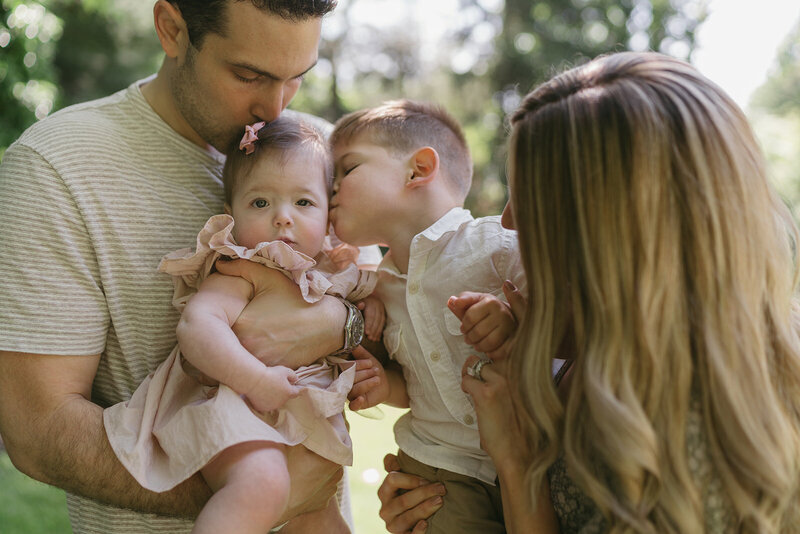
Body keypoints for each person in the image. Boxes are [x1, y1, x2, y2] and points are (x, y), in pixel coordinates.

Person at [0, 1, 368, 533]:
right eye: (249, 74)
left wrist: (342, 322)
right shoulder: (57, 168)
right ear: (172, 30)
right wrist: (268, 489)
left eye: (297, 78)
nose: (275, 108)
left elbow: (399, 324)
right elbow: (38, 432)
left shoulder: (318, 152)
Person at [461, 51, 800, 533]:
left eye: (530, 200)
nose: (508, 221)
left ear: (604, 236)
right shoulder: (756, 349)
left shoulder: (654, 430)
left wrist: (517, 460)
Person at [104, 117, 384, 534]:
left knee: (323, 513)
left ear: (329, 216)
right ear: (230, 214)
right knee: (262, 483)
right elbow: (198, 328)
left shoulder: (336, 273)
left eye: (303, 203)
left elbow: (386, 318)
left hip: (298, 421)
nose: (282, 218)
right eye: (260, 203)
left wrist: (371, 310)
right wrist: (255, 379)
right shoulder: (241, 269)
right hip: (236, 404)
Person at [329, 99, 526, 534]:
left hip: (533, 455)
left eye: (347, 169)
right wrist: (386, 385)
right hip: (439, 470)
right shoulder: (377, 288)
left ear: (418, 169)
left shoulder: (497, 247)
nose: (331, 189)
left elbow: (562, 333)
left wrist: (513, 325)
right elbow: (418, 385)